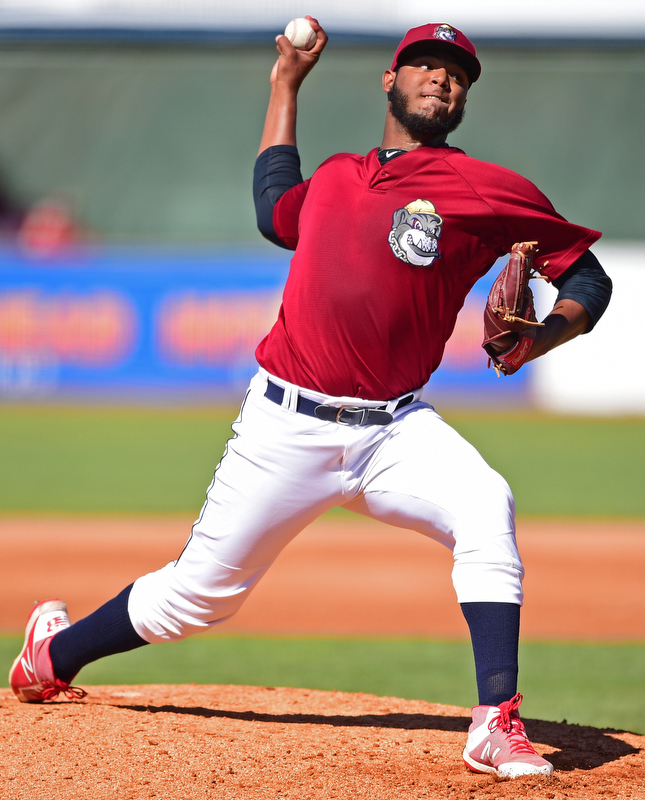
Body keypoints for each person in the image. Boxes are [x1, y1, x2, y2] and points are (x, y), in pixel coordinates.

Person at [10, 19, 612, 780]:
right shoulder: (333, 178)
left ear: (464, 95)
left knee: (485, 503)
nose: (441, 78)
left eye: (456, 71)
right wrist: (285, 83)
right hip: (284, 426)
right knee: (193, 603)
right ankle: (50, 653)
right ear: (389, 82)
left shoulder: (487, 189)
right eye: (424, 64)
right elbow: (273, 208)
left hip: (393, 429)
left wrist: (537, 338)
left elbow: (588, 278)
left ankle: (495, 720)